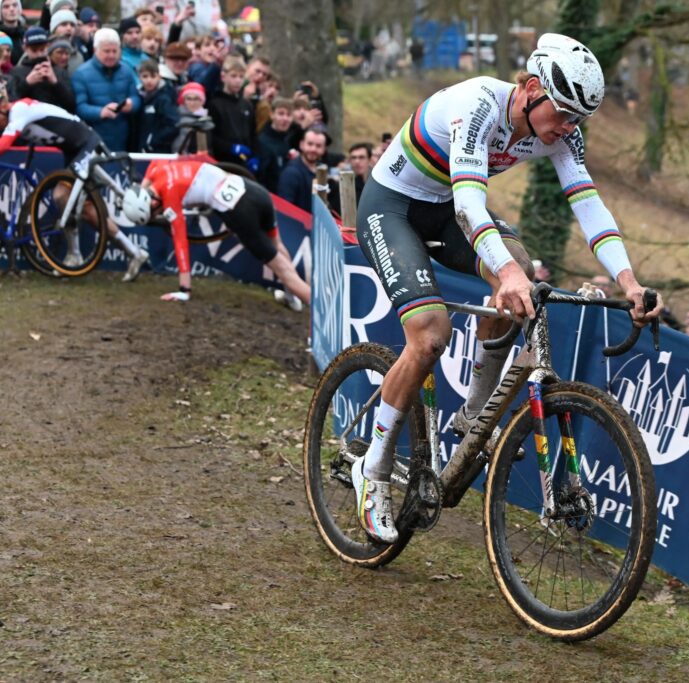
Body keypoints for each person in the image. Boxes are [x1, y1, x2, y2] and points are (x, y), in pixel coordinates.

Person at [351, 33, 662, 543]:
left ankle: (474, 414)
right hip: (395, 206)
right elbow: (470, 205)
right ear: (532, 88)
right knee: (430, 336)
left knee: (516, 269)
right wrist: (509, 275)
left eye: (577, 120)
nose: (567, 128)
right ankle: (375, 466)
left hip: (450, 210)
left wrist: (628, 281)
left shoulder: (563, 130)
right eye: (563, 114)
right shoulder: (478, 105)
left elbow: (588, 206)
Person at [0, 86, 149, 278]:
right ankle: (135, 253)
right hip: (72, 152)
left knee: (61, 195)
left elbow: (4, 144)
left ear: (3, 105)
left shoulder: (20, 109)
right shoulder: (2, 115)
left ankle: (75, 255)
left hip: (87, 143)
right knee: (87, 211)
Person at [122, 158, 310, 306]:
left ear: (153, 203)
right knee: (278, 245)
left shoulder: (169, 199)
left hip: (239, 212)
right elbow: (155, 162)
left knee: (283, 271)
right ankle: (291, 297)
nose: (160, 214)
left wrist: (184, 289)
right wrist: (144, 184)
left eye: (155, 213)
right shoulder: (157, 172)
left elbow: (180, 242)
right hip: (254, 191)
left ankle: (323, 314)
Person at [72, 28, 139, 152]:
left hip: (123, 137)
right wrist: (100, 112)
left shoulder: (126, 71)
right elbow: (79, 107)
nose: (111, 55)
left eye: (115, 51)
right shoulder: (81, 74)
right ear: (95, 50)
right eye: (106, 51)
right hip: (94, 137)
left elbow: (136, 97)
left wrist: (131, 104)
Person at [7, 28, 75, 112]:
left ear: (47, 47)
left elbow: (71, 104)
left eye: (42, 49)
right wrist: (27, 83)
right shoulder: (16, 72)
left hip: (55, 120)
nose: (39, 54)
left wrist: (55, 83)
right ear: (25, 48)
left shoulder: (59, 71)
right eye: (34, 50)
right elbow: (11, 103)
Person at [207, 56, 257, 169]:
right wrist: (230, 147)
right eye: (233, 76)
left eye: (241, 77)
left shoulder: (247, 105)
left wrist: (254, 156)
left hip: (243, 163)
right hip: (223, 162)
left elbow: (253, 134)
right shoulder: (215, 104)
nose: (238, 81)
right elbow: (211, 137)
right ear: (223, 77)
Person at [277, 124, 330, 213]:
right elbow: (285, 208)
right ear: (301, 144)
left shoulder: (323, 171)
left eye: (318, 146)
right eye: (310, 144)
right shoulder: (291, 173)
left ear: (324, 149)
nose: (313, 149)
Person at [134, 59, 177, 152]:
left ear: (159, 77)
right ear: (139, 77)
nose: (149, 80)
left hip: (158, 150)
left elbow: (173, 125)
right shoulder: (139, 97)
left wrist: (153, 141)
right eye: (145, 76)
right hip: (141, 149)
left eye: (153, 76)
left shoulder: (164, 98)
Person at [255, 97, 293, 193]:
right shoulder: (262, 142)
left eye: (288, 115)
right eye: (281, 114)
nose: (285, 119)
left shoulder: (286, 140)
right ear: (272, 115)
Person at [171, 80, 211, 153]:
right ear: (184, 100)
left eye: (196, 99)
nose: (192, 103)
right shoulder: (181, 121)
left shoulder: (206, 120)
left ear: (202, 101)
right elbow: (179, 148)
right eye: (189, 99)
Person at [0, 0, 27, 66]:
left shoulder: (27, 34)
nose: (12, 9)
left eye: (15, 5)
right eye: (6, 7)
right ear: (0, 11)